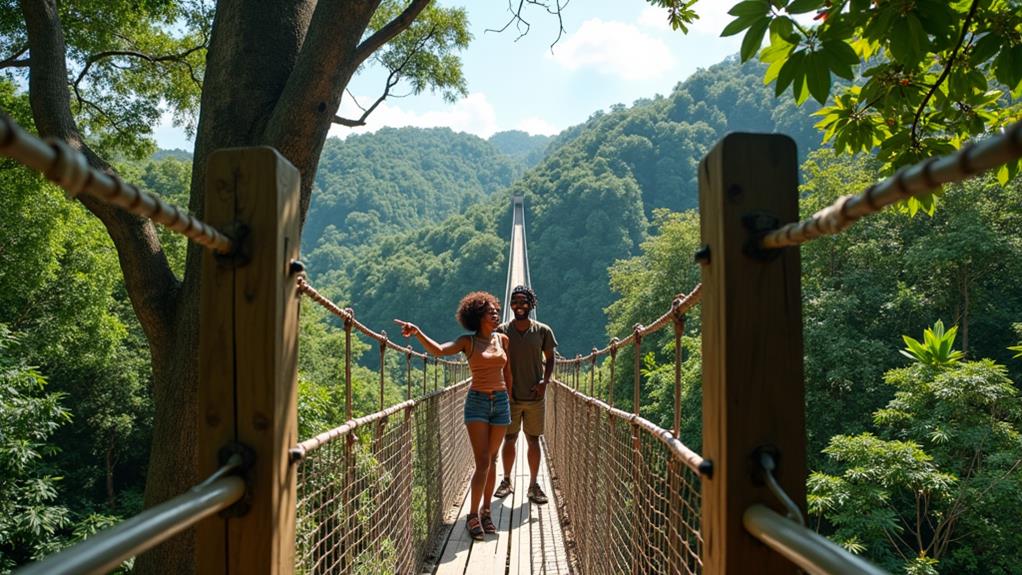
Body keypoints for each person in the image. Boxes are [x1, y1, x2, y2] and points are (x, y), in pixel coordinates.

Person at [394, 291, 511, 540]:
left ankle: (486, 511)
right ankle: (472, 516)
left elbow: (507, 373)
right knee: (482, 461)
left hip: (501, 402)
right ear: (478, 316)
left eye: (495, 310)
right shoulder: (466, 342)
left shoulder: (503, 339)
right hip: (477, 403)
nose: (495, 313)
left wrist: (509, 398)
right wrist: (417, 332)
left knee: (493, 459)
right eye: (490, 310)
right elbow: (438, 351)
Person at [493, 285, 557, 504]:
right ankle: (507, 481)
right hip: (509, 396)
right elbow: (491, 358)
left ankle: (533, 485)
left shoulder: (542, 331)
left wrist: (544, 382)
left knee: (533, 440)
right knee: (509, 439)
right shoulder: (501, 331)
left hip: (534, 397)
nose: (519, 306)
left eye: (523, 301)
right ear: (510, 304)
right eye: (515, 301)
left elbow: (550, 359)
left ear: (531, 304)